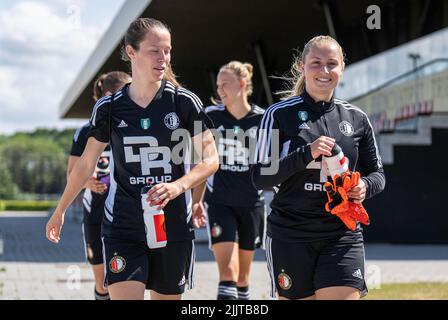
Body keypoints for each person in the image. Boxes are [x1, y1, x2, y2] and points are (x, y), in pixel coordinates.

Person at [46, 17, 219, 300]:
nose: (163, 58)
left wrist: (178, 186)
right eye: (154, 50)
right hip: (123, 225)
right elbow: (85, 164)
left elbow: (211, 159)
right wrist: (60, 209)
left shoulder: (184, 102)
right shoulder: (109, 107)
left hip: (172, 225)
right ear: (131, 52)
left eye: (168, 50)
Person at [252, 35, 385, 300]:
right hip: (290, 236)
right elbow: (259, 176)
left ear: (342, 68)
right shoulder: (278, 114)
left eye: (332, 64)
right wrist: (306, 153)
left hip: (341, 235)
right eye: (316, 63)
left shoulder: (357, 119)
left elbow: (378, 175)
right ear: (302, 66)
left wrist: (363, 187)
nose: (324, 71)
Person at [195, 61, 265, 300]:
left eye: (225, 84)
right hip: (219, 204)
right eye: (218, 85)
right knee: (227, 273)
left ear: (242, 84)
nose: (220, 90)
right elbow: (200, 164)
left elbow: (273, 165)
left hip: (252, 205)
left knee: (243, 279)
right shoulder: (210, 117)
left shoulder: (263, 119)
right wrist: (196, 201)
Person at [68, 71, 131, 300]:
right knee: (103, 282)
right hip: (95, 212)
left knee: (127, 281)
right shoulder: (86, 132)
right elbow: (72, 172)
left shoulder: (133, 126)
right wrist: (87, 182)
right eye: (126, 90)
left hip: (127, 213)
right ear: (108, 95)